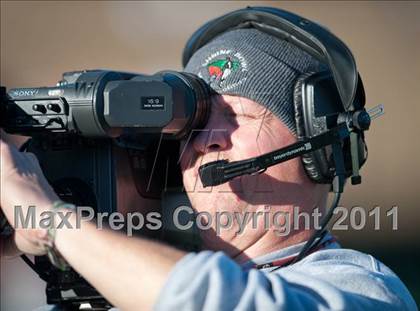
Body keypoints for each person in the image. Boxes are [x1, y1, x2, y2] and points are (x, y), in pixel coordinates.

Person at [0, 7, 417, 311]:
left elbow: (212, 300)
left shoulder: (362, 292)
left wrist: (54, 223)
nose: (207, 141)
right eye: (195, 125)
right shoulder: (128, 285)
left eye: (238, 116)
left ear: (321, 148)